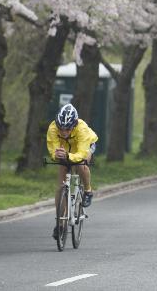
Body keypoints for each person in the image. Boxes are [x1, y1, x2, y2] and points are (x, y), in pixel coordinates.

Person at [47, 103, 98, 240]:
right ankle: (60, 223)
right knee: (60, 186)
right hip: (66, 149)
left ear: (74, 125)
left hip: (85, 146)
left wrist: (69, 156)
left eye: (68, 129)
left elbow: (81, 153)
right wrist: (56, 155)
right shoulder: (52, 128)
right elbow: (53, 148)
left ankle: (88, 191)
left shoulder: (82, 129)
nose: (64, 132)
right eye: (61, 128)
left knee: (81, 164)